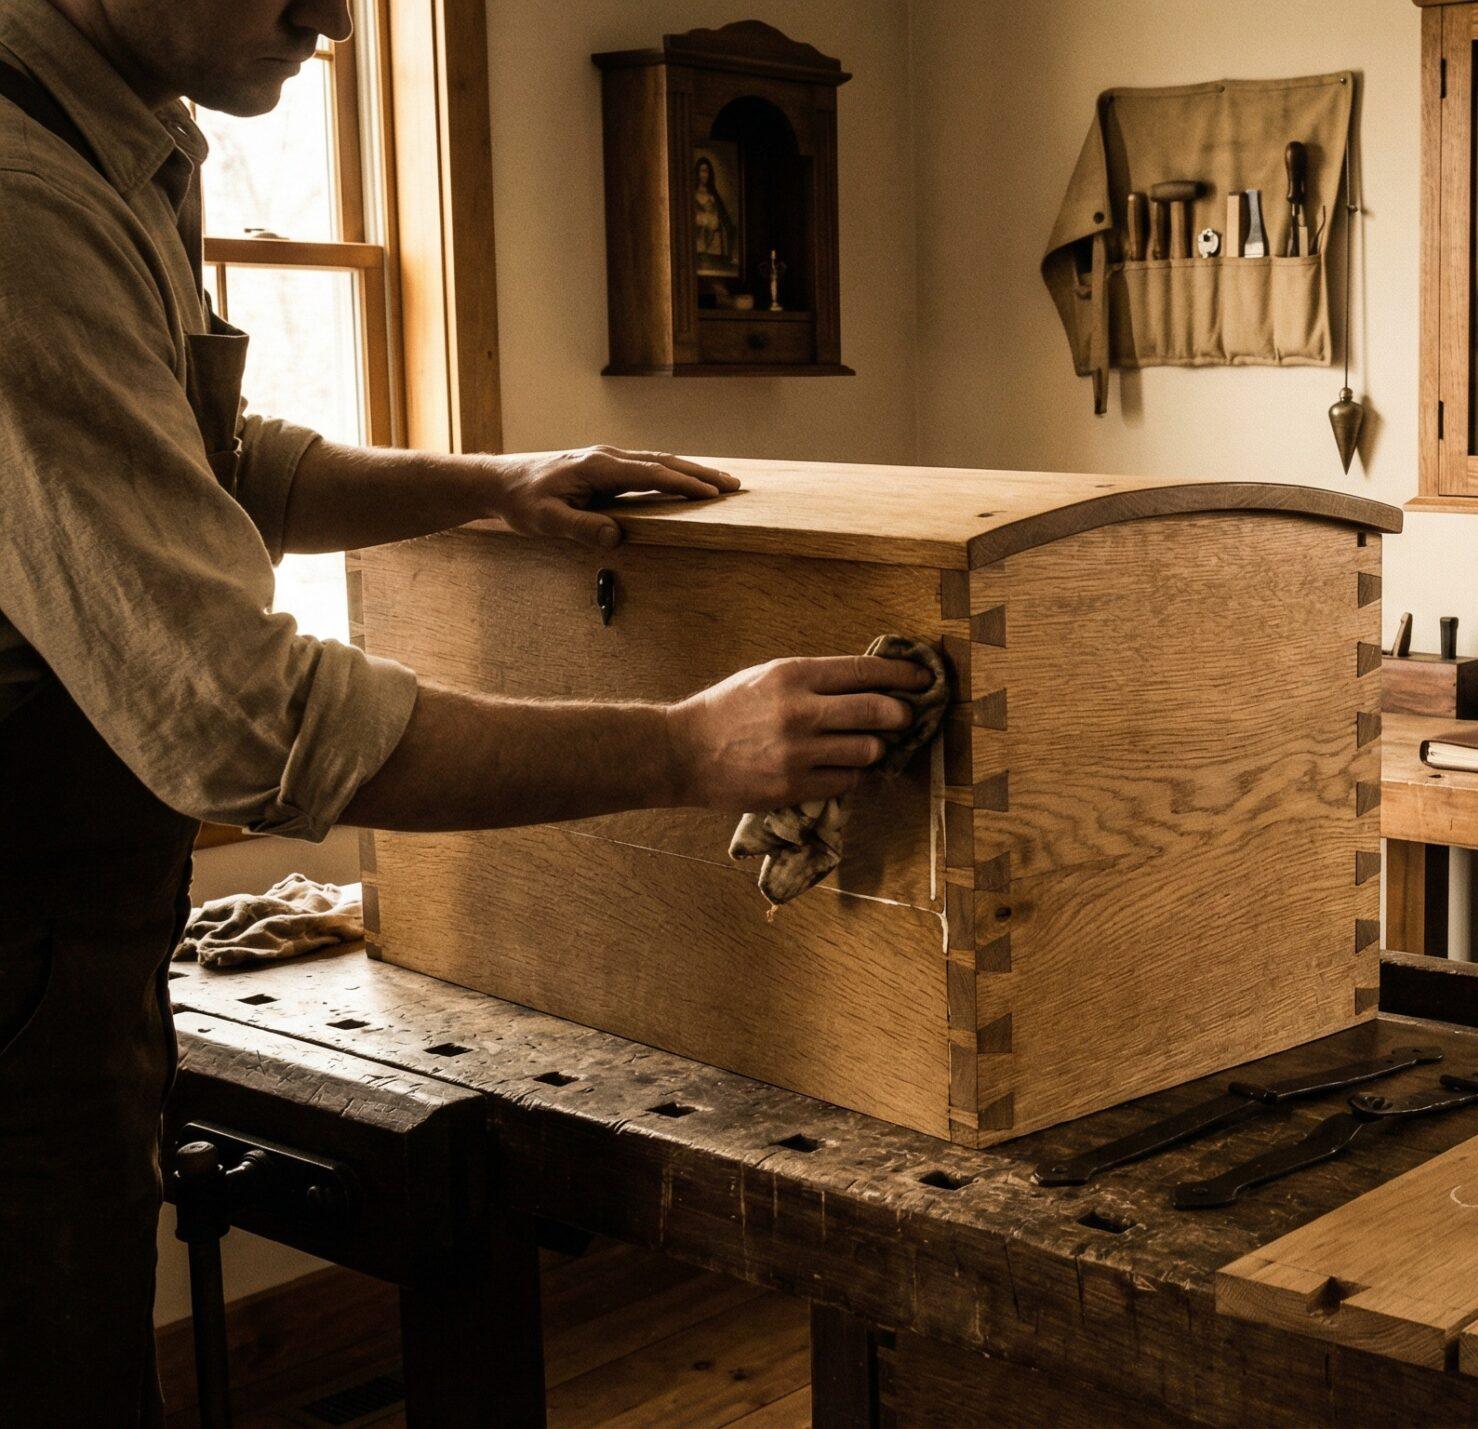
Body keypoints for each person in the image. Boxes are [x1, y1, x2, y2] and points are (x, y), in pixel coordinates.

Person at [0, 0, 926, 1419]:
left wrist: (490, 483)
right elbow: (238, 720)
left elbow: (221, 454)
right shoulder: (22, 201)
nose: (336, 21)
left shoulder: (122, 137)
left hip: (77, 944)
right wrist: (688, 744)